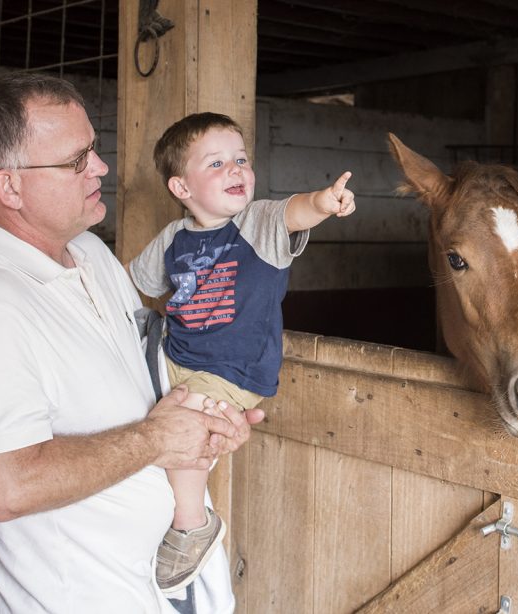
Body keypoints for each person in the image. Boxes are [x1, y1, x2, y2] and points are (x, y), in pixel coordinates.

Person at [0, 73, 262, 614]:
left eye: (94, 150)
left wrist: (203, 414)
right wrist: (157, 440)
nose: (100, 167)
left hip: (146, 585)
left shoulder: (90, 255)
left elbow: (133, 383)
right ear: (9, 187)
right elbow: (5, 487)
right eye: (76, 159)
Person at [129, 112, 356, 593]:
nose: (235, 169)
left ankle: (192, 525)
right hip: (179, 353)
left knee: (185, 419)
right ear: (181, 188)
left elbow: (296, 209)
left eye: (241, 159)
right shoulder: (173, 240)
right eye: (216, 163)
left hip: (231, 371)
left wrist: (324, 201)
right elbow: (138, 283)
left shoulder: (258, 224)